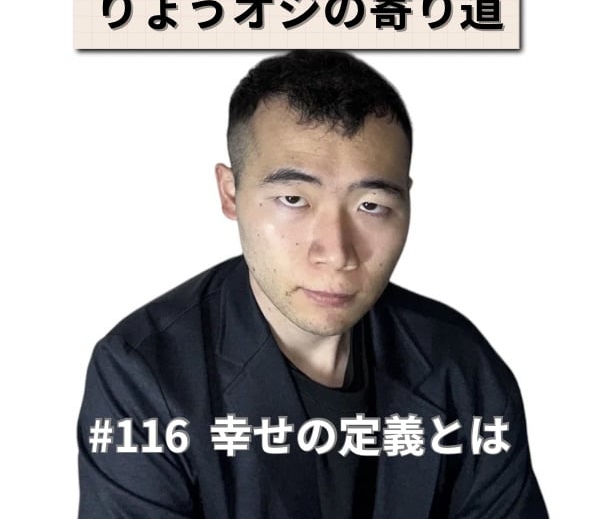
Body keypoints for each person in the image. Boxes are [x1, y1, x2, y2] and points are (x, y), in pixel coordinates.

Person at [77, 50, 548, 518]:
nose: (337, 252)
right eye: (293, 199)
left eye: (371, 206)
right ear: (231, 193)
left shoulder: (461, 364)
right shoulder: (142, 374)